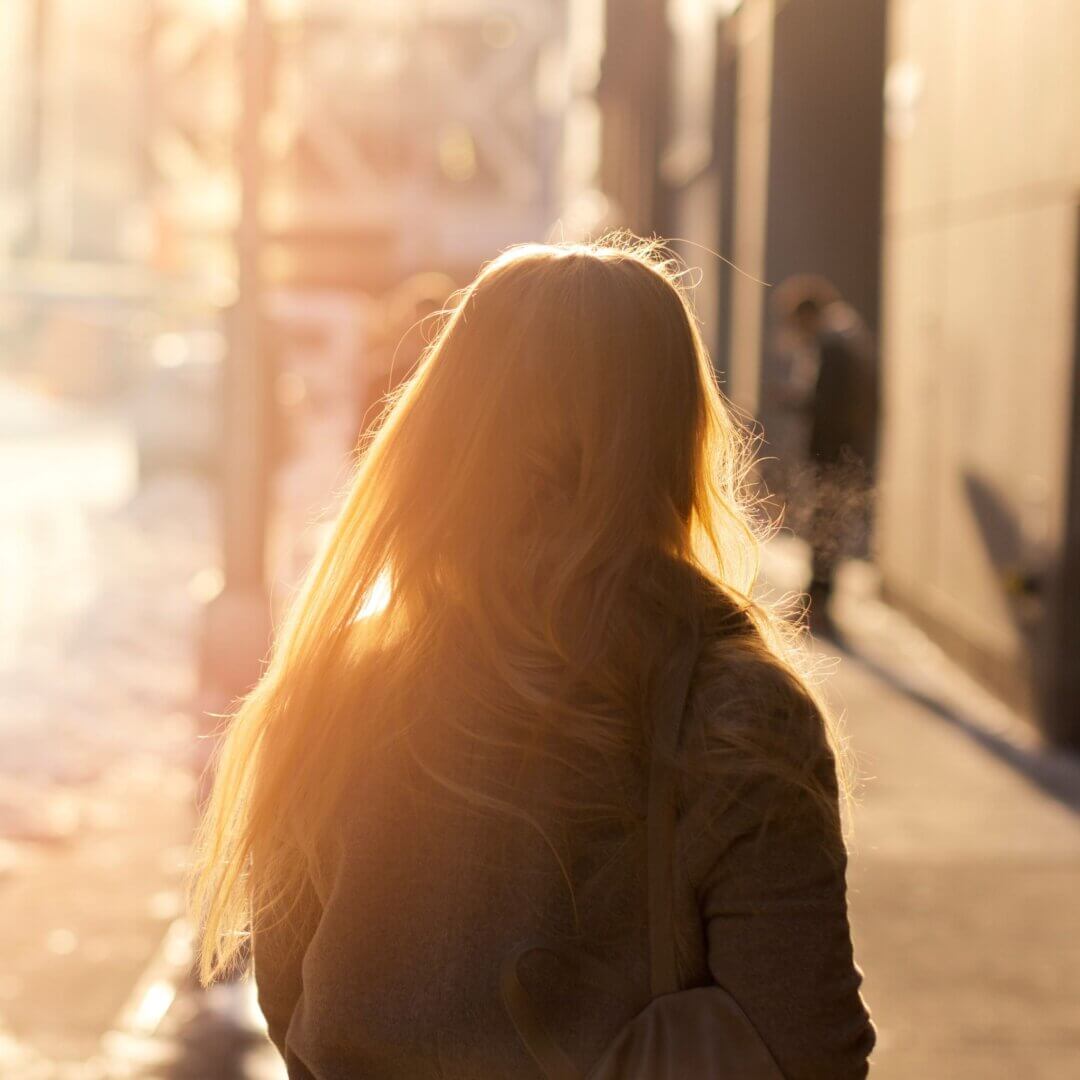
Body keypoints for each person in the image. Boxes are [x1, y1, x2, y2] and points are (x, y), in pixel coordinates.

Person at [189, 239, 875, 1078]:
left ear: (452, 426)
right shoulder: (730, 706)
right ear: (677, 429)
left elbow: (292, 997)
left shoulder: (341, 684)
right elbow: (809, 1046)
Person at [772, 276, 879, 634]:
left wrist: (796, 401)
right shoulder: (846, 336)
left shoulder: (834, 346)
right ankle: (817, 601)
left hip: (833, 453)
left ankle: (817, 604)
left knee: (824, 527)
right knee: (827, 527)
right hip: (846, 452)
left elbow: (828, 405)